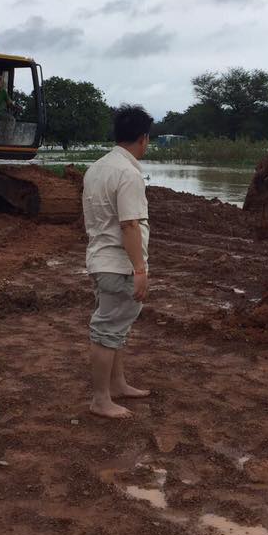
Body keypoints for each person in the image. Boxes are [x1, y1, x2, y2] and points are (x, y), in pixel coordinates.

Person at [82, 105, 154, 419]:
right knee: (108, 330)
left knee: (115, 328)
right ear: (143, 138)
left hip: (101, 260)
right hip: (119, 265)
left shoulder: (97, 168)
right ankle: (101, 399)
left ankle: (118, 384)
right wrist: (140, 269)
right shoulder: (128, 173)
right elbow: (129, 225)